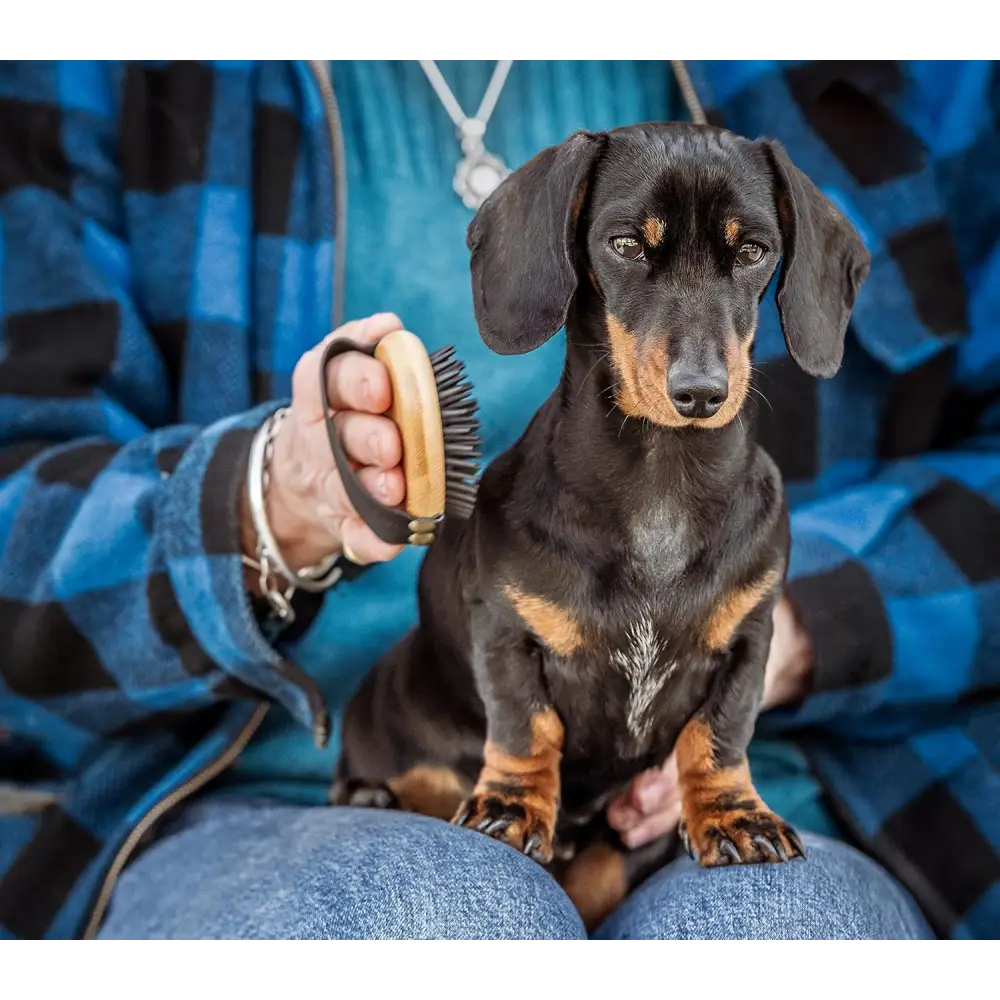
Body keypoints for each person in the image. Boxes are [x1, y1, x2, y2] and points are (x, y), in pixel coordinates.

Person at [0, 55, 995, 944]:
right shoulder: (109, 77)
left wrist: (781, 625)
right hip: (283, 786)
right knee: (442, 915)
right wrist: (260, 504)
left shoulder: (906, 82)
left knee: (784, 929)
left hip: (752, 784)